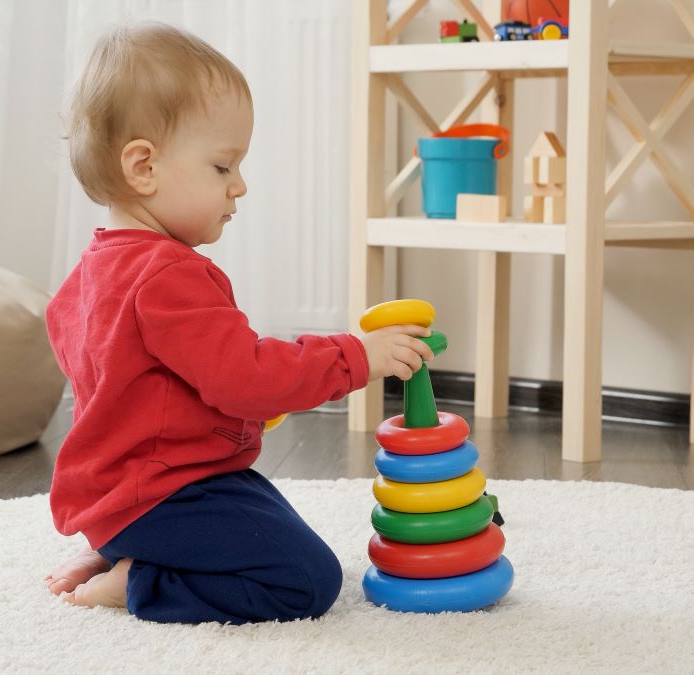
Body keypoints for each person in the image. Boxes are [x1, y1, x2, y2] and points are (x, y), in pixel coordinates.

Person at [41, 23, 433, 624]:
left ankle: (117, 553)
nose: (240, 186)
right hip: (160, 495)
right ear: (143, 166)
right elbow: (245, 377)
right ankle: (141, 581)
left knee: (264, 520)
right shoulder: (166, 274)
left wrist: (232, 407)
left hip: (130, 493)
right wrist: (357, 355)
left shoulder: (91, 274)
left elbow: (141, 393)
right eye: (223, 166)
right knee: (307, 581)